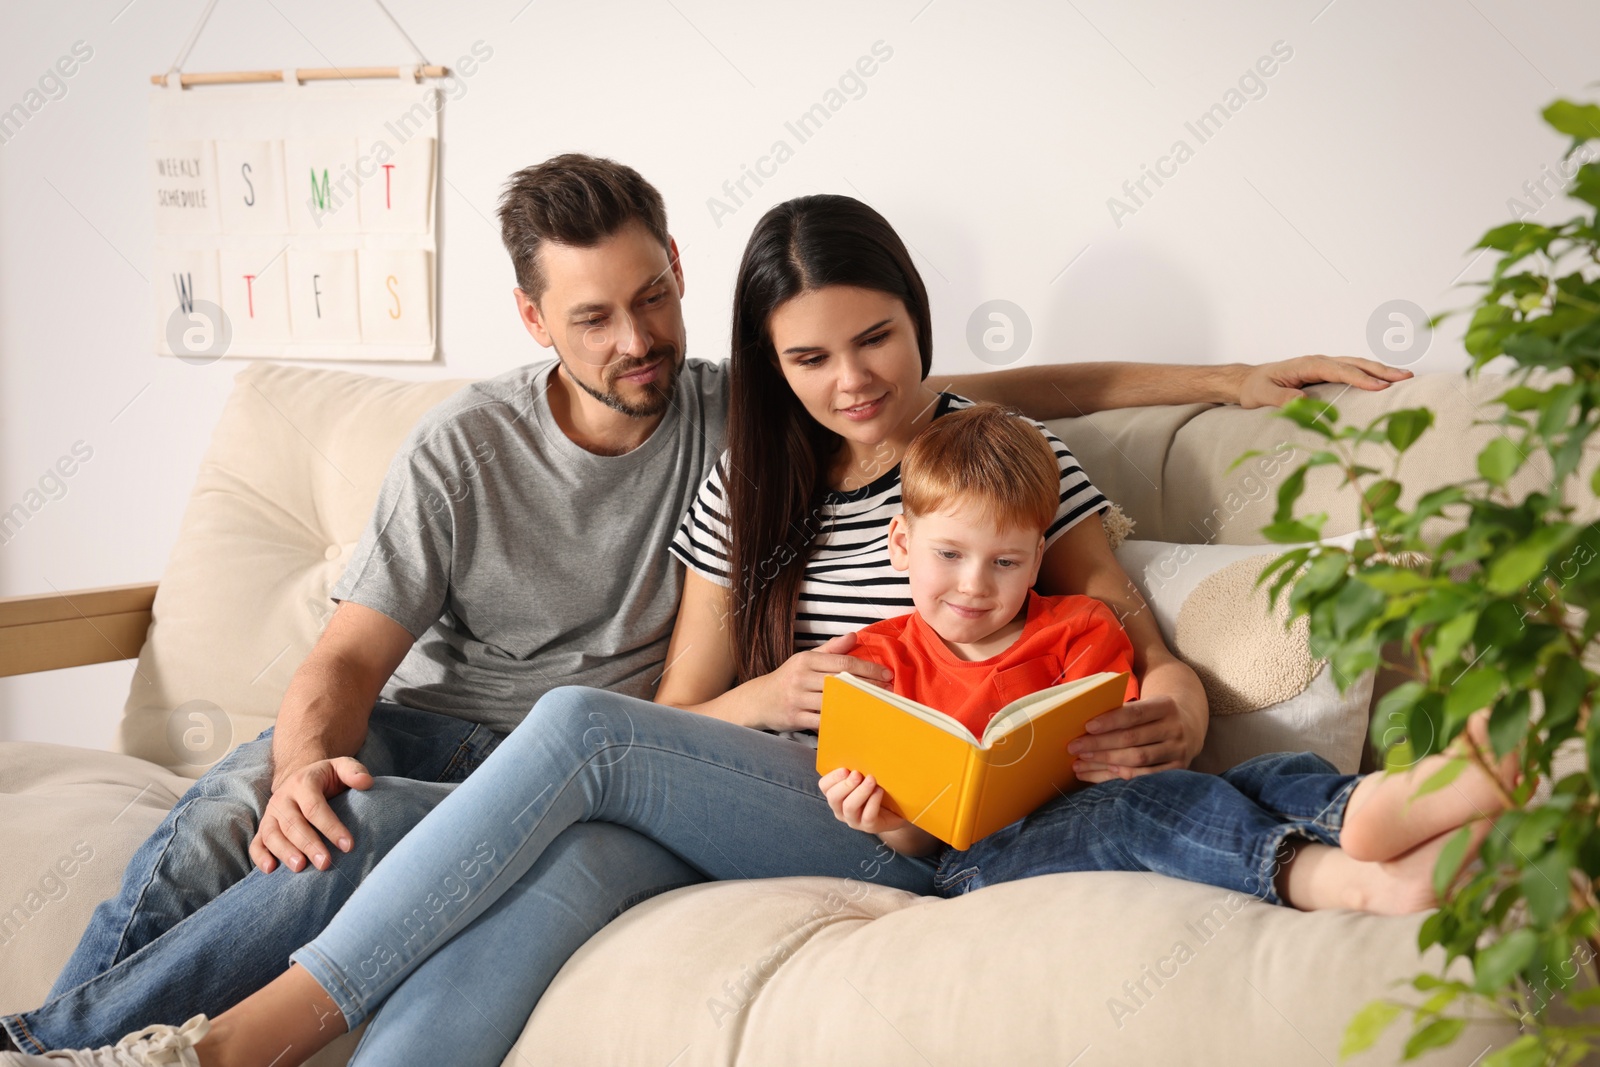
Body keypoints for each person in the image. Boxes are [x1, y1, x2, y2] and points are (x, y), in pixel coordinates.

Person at [0, 184, 1415, 1067]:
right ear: (773, 362)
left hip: (931, 823)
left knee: (563, 736)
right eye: (810, 355)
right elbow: (673, 719)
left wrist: (1169, 661)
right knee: (547, 864)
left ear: (922, 325)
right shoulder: (754, 474)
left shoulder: (1003, 453)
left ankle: (239, 1045)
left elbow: (1119, 614)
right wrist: (785, 690)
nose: (853, 378)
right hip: (777, 782)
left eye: (880, 339)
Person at [818, 403, 1515, 910]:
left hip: (1097, 804)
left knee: (1257, 772)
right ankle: (1346, 880)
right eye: (949, 554)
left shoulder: (1078, 627)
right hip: (975, 863)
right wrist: (885, 819)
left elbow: (1127, 754)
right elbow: (917, 842)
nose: (975, 584)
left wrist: (1133, 746)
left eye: (1004, 560)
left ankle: (1367, 805)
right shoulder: (874, 662)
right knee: (1135, 809)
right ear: (902, 544)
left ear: (1038, 557)